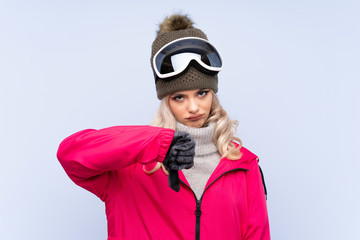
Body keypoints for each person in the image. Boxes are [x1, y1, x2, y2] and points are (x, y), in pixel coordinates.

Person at [57, 14, 270, 240]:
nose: (194, 107)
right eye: (179, 97)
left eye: (202, 93)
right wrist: (159, 145)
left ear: (213, 94)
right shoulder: (131, 166)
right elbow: (70, 154)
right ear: (166, 100)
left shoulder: (244, 166)